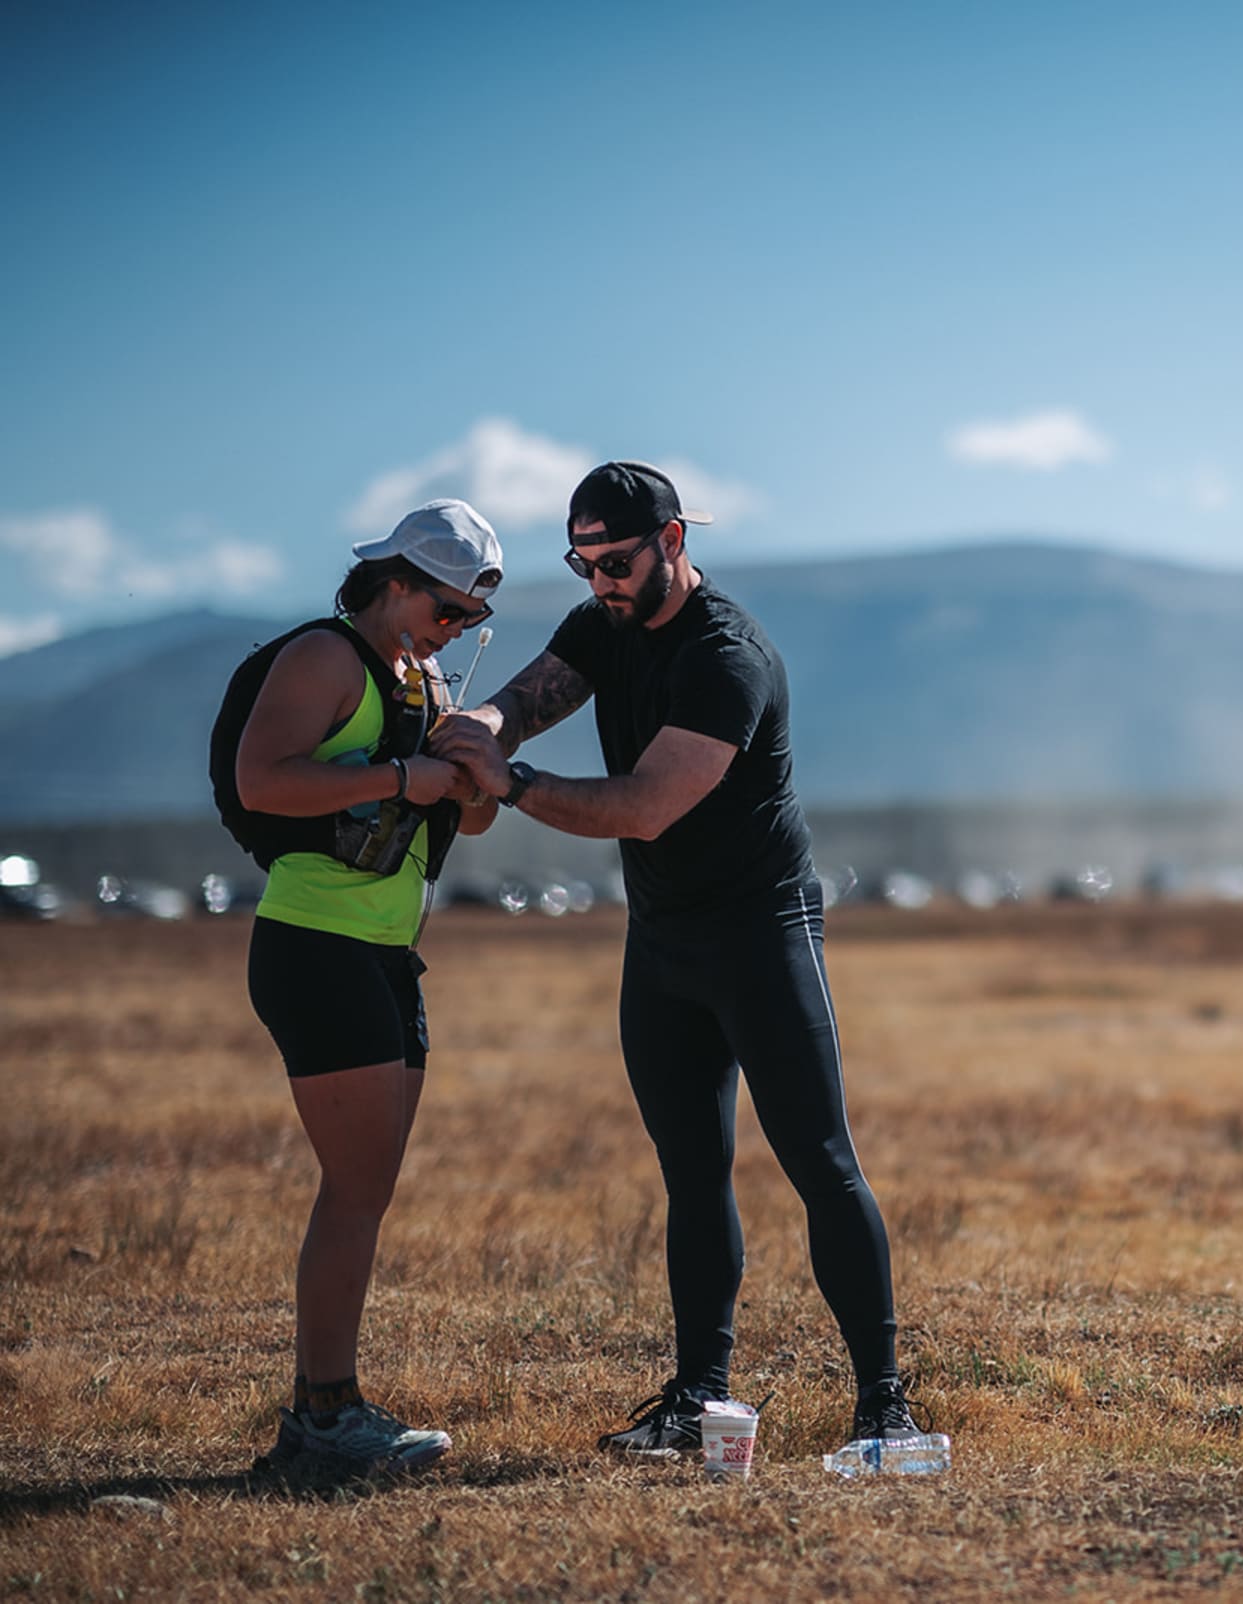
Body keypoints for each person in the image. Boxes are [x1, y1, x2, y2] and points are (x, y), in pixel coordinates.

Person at [430, 461, 920, 1457]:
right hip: (662, 943)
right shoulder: (602, 622)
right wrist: (472, 729)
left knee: (821, 1165)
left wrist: (510, 783)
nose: (601, 579)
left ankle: (885, 1406)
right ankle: (700, 1399)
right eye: (584, 561)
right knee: (691, 1173)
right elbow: (527, 697)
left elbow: (645, 805)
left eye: (617, 559)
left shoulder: (726, 657)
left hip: (758, 933)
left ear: (675, 540)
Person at [229, 499, 504, 1473]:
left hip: (388, 950)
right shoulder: (326, 658)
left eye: (472, 620)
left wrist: (471, 780)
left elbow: (463, 828)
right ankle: (323, 1418)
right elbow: (262, 779)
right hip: (316, 942)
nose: (456, 631)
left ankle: (325, 1412)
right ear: (393, 583)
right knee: (354, 1188)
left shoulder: (419, 676)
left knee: (367, 1187)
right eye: (446, 609)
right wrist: (398, 778)